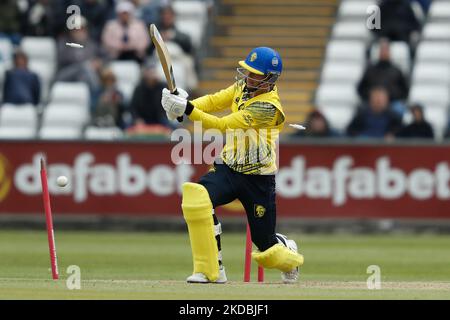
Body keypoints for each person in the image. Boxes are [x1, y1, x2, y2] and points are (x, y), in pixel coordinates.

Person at [160, 47, 304, 284]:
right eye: (248, 71)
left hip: (258, 178)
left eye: (255, 74)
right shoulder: (242, 87)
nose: (248, 77)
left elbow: (223, 125)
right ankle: (210, 270)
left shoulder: (268, 108)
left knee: (267, 248)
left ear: (269, 79)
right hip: (228, 166)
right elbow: (214, 101)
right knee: (197, 198)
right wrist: (185, 102)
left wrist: (186, 109)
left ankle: (289, 251)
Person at [357, 38, 409, 116]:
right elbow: (360, 89)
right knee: (361, 111)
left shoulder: (397, 70)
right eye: (382, 50)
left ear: (389, 52)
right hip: (371, 103)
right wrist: (372, 95)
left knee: (399, 109)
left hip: (392, 102)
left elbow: (405, 91)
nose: (384, 52)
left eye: (386, 50)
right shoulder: (370, 70)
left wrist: (388, 96)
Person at [129, 62, 169, 127]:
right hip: (142, 119)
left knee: (171, 126)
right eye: (149, 72)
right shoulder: (139, 88)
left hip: (160, 118)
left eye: (153, 72)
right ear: (145, 73)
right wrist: (137, 119)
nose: (151, 74)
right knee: (128, 126)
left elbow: (167, 105)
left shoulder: (163, 87)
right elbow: (133, 107)